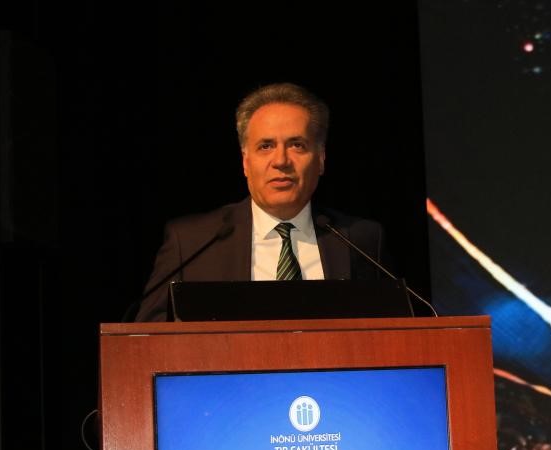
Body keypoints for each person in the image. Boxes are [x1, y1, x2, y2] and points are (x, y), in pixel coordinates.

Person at [133, 82, 389, 322]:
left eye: (297, 145)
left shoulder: (360, 240)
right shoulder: (191, 243)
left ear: (320, 159)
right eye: (266, 146)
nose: (281, 161)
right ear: (245, 161)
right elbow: (146, 341)